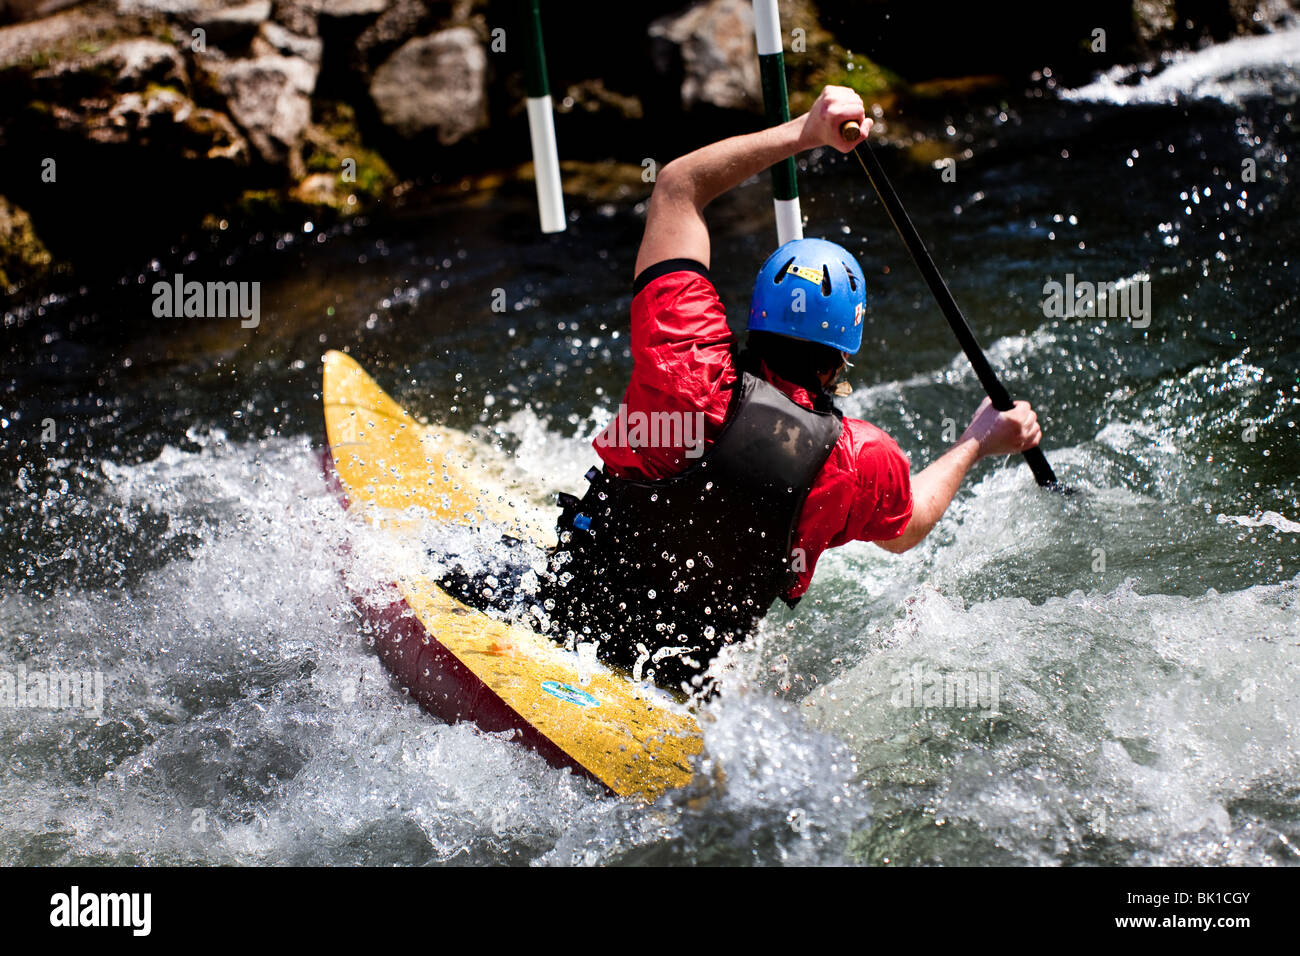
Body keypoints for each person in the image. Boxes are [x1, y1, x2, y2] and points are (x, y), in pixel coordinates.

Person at [514, 86, 1041, 696]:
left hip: (565, 618)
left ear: (757, 315)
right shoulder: (862, 459)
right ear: (843, 355)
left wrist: (807, 133)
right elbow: (908, 529)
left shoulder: (687, 354)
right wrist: (979, 439)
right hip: (677, 685)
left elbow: (679, 186)